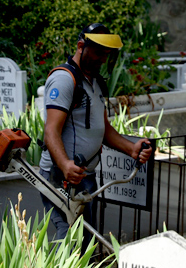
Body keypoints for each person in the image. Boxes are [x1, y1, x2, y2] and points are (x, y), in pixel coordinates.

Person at [40, 23, 153, 240]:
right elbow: (51, 131)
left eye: (106, 55)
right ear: (81, 46)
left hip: (85, 178)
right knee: (69, 237)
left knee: (86, 238)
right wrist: (65, 165)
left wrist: (131, 148)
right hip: (60, 177)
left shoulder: (95, 82)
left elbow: (104, 129)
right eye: (98, 54)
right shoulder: (65, 79)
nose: (102, 59)